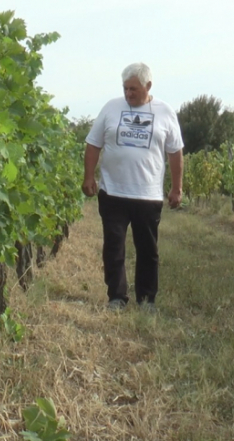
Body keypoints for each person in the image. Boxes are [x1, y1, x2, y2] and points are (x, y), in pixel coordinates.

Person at [82, 62, 184, 311]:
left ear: (148, 86)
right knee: (114, 246)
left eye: (134, 89)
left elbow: (175, 153)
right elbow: (93, 144)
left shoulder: (165, 112)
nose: (128, 94)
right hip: (113, 192)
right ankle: (116, 297)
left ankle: (146, 299)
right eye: (125, 88)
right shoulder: (111, 108)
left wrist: (176, 188)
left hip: (148, 195)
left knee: (147, 249)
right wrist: (89, 177)